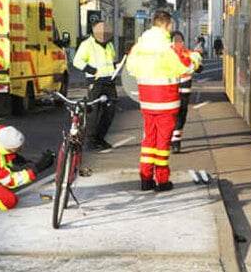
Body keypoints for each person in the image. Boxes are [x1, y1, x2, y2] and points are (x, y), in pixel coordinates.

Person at [126, 11, 190, 192]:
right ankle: (162, 180)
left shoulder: (140, 45)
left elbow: (130, 67)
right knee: (163, 143)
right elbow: (183, 66)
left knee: (148, 140)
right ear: (167, 25)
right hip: (166, 101)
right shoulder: (166, 47)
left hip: (147, 101)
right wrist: (195, 59)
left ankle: (145, 179)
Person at [72, 21, 117, 150]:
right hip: (95, 82)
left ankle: (100, 138)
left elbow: (110, 62)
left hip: (109, 81)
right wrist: (91, 70)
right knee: (93, 112)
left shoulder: (109, 45)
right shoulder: (87, 44)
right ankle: (91, 140)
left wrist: (116, 66)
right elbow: (77, 61)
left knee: (110, 111)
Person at [170, 30, 204, 153]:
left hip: (178, 89)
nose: (178, 42)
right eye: (176, 40)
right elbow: (198, 67)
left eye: (179, 40)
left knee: (177, 115)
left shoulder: (187, 54)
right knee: (178, 115)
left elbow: (199, 67)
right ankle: (175, 141)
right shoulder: (188, 54)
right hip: (177, 89)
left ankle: (175, 140)